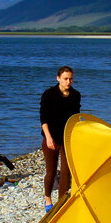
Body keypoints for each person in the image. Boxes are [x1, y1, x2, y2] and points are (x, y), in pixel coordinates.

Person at [39, 65, 81, 210]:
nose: (68, 81)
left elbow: (76, 117)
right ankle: (48, 198)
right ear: (58, 78)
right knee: (51, 171)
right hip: (51, 137)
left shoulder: (76, 95)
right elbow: (43, 119)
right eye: (65, 79)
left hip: (67, 137)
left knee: (66, 171)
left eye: (70, 79)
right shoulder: (49, 94)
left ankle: (62, 202)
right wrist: (49, 138)